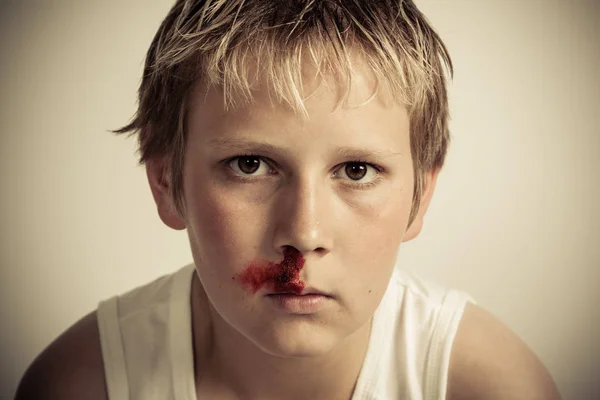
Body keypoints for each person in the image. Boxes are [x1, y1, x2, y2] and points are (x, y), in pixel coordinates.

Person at [16, 0, 561, 399]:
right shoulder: (83, 383)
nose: (303, 232)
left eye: (356, 170)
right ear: (166, 184)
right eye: (249, 165)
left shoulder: (486, 386)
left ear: (421, 197)